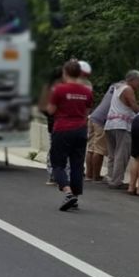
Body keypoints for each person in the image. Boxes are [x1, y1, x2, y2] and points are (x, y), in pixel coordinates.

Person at [45, 58, 94, 212]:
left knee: (58, 163)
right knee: (77, 165)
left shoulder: (59, 89)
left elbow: (50, 110)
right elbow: (87, 112)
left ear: (65, 72)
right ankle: (75, 197)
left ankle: (68, 192)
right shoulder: (87, 91)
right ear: (79, 73)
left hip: (62, 129)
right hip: (80, 130)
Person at [102, 70, 139, 189]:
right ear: (132, 80)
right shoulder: (128, 89)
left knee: (112, 154)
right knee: (122, 154)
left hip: (110, 123)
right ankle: (116, 181)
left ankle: (111, 177)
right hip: (121, 125)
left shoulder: (118, 87)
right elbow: (134, 106)